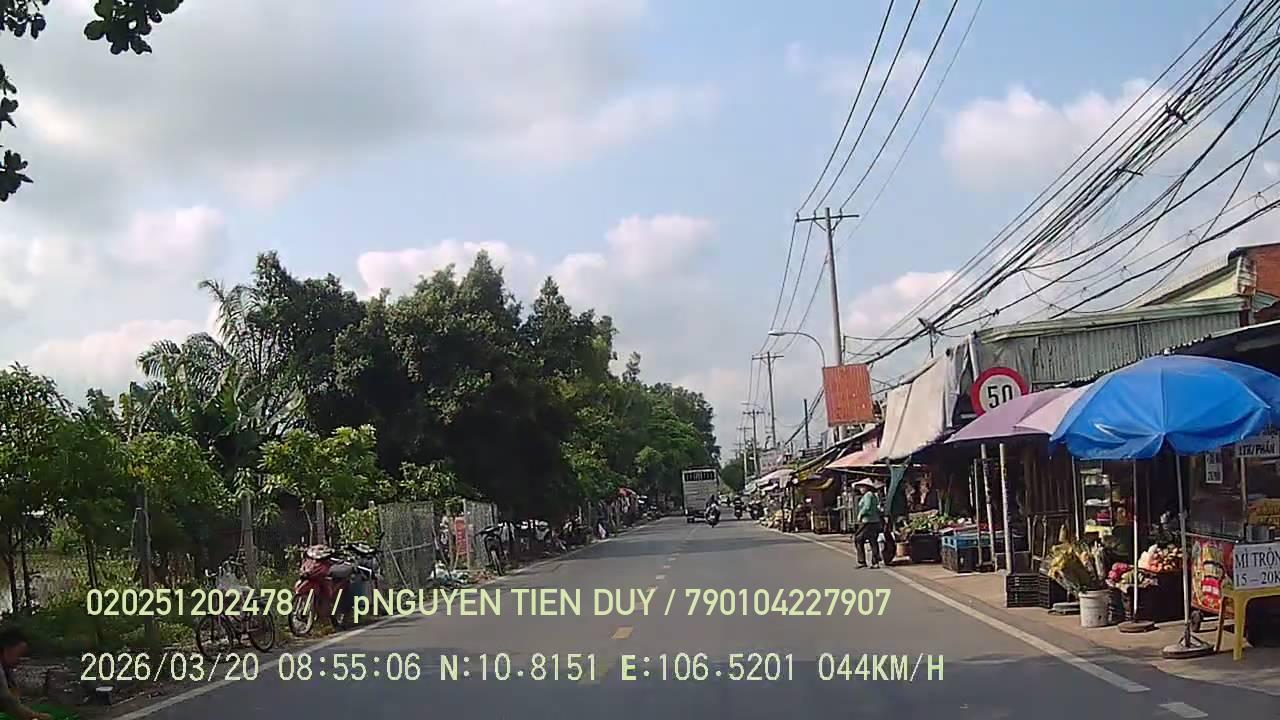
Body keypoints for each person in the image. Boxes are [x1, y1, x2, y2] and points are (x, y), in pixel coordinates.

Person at [1, 628, 51, 720]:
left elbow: (14, 696)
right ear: (7, 650)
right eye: (19, 654)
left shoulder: (6, 669)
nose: (20, 660)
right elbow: (7, 701)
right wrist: (36, 716)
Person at [852, 480, 883, 569]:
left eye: (862, 487)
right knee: (873, 540)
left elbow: (867, 507)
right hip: (875, 521)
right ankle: (875, 562)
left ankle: (862, 561)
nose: (860, 489)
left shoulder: (868, 495)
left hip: (867, 521)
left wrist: (860, 514)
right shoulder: (873, 495)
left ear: (866, 487)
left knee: (858, 539)